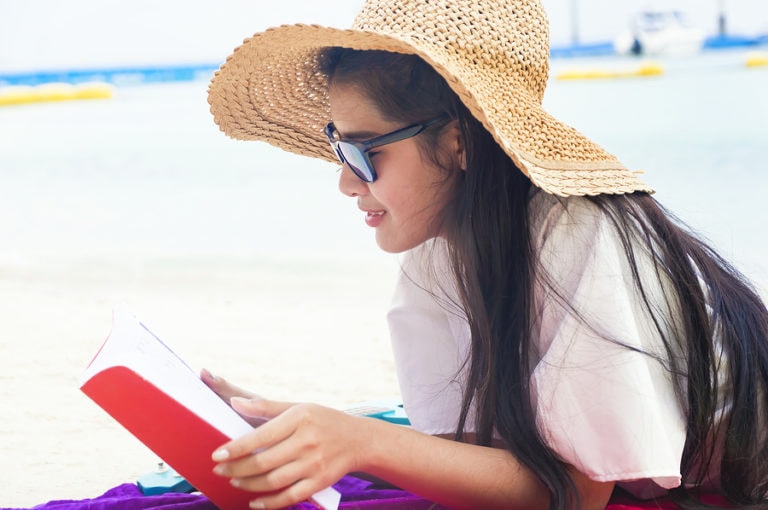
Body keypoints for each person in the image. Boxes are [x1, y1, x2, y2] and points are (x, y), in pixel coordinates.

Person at [202, 0, 768, 509]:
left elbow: (574, 493)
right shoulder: (441, 243)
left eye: (364, 151)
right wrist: (283, 422)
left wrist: (362, 441)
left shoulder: (578, 230)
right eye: (337, 146)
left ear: (458, 141)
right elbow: (463, 449)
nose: (347, 184)